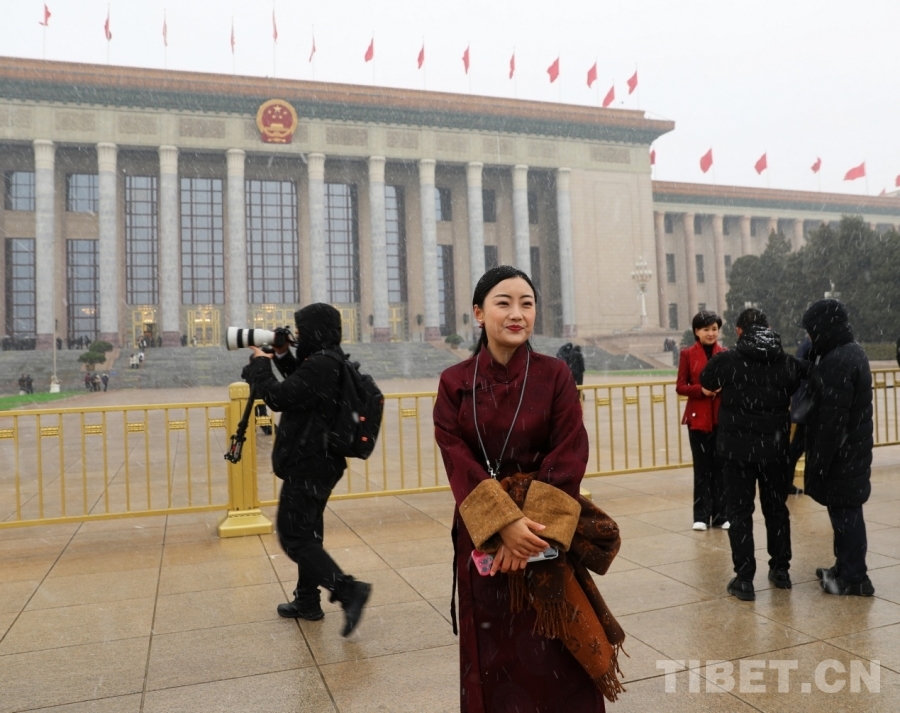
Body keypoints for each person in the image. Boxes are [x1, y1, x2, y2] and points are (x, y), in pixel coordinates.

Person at [434, 265, 625, 712]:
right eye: (503, 303)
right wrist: (502, 525)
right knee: (493, 660)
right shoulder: (455, 382)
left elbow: (569, 452)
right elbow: (457, 459)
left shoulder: (554, 375)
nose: (517, 314)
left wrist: (527, 533)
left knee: (556, 654)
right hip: (485, 541)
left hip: (542, 538)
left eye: (527, 303)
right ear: (479, 313)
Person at [243, 303, 372, 636]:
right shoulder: (328, 360)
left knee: (294, 537)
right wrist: (282, 355)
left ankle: (348, 590)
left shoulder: (321, 364)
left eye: (301, 332)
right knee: (309, 533)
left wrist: (260, 364)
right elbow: (302, 387)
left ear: (315, 331)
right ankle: (307, 600)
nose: (298, 337)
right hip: (321, 460)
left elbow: (279, 397)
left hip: (310, 462)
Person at [700, 308, 803, 601]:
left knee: (740, 513)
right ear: (768, 328)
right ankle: (780, 570)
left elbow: (707, 381)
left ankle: (744, 579)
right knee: (776, 509)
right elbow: (798, 381)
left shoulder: (728, 360)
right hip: (775, 450)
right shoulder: (785, 361)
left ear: (739, 331)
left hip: (737, 452)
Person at [802, 299, 875, 596]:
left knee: (846, 514)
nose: (809, 337)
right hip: (852, 449)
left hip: (843, 453)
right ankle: (844, 568)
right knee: (844, 511)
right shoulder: (850, 351)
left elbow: (832, 421)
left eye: (811, 330)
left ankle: (855, 577)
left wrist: (819, 461)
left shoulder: (838, 361)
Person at [676, 310, 728, 531]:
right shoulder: (687, 354)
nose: (711, 333)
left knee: (721, 469)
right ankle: (701, 515)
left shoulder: (725, 354)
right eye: (706, 329)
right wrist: (701, 390)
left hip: (720, 418)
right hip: (697, 419)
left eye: (714, 329)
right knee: (702, 469)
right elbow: (681, 386)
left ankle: (721, 516)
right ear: (696, 331)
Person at [786, 336, 812, 497]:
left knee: (799, 445)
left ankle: (786, 481)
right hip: (807, 403)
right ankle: (788, 482)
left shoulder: (806, 344)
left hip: (804, 402)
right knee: (800, 445)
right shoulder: (810, 345)